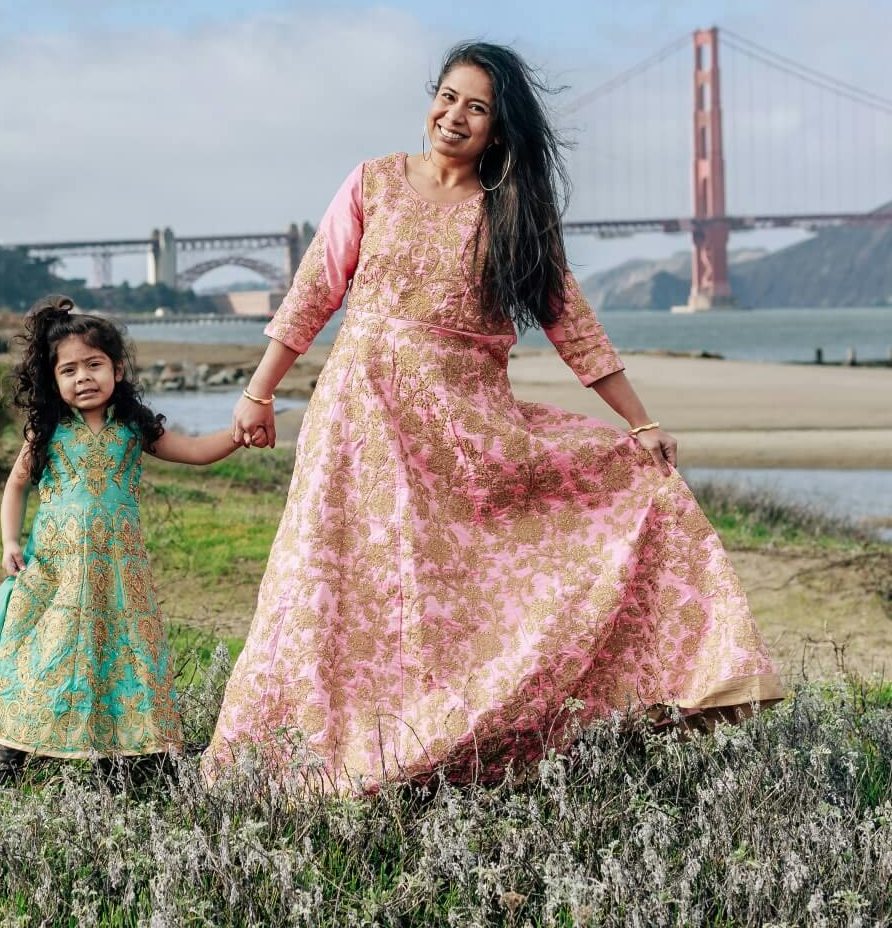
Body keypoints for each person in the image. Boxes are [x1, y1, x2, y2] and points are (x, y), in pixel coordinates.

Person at [202, 41, 783, 792]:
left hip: (463, 429)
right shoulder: (373, 182)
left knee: (454, 592)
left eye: (476, 107)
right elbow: (314, 292)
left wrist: (640, 424)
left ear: (499, 130)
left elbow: (573, 325)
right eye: (447, 97)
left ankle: (444, 743)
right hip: (360, 421)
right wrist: (259, 390)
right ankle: (294, 757)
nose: (454, 116)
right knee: (334, 579)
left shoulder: (511, 213)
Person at [0, 296, 248, 781]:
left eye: (94, 365)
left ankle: (142, 756)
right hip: (57, 572)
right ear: (54, 380)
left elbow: (193, 450)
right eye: (69, 370)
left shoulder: (134, 427)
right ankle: (6, 756)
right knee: (43, 654)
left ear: (117, 370)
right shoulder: (47, 432)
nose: (83, 377)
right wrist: (9, 541)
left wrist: (240, 432)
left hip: (120, 577)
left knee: (125, 655)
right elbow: (16, 485)